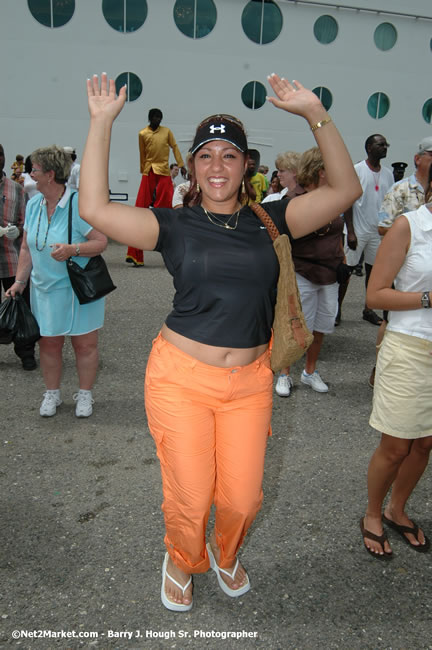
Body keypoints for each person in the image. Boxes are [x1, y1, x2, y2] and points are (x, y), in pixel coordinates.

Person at [79, 72, 361, 611]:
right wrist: (100, 125)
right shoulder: (175, 225)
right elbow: (95, 209)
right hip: (181, 377)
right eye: (205, 154)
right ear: (191, 166)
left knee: (242, 497)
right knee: (190, 496)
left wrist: (313, 114)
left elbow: (345, 190)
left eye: (229, 155)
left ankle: (225, 552)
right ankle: (182, 558)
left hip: (251, 381)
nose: (216, 166)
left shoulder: (273, 219)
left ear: (246, 165)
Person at [360, 163, 432, 559]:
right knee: (397, 445)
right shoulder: (410, 226)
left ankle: (397, 509)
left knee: (425, 443)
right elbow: (375, 295)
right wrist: (427, 298)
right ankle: (372, 514)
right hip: (408, 346)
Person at [6, 145, 108, 417]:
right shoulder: (35, 204)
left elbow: (101, 241)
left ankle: (85, 395)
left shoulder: (79, 204)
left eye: (35, 170)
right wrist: (19, 282)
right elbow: (26, 247)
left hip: (78, 289)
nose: (30, 174)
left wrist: (73, 249)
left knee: (84, 344)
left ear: (50, 174)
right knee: (49, 343)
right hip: (44, 289)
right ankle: (52, 394)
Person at [273, 147, 344, 397]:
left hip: (330, 273)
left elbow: (338, 233)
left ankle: (310, 371)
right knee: (295, 325)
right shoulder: (295, 198)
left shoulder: (336, 196)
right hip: (302, 271)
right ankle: (284, 373)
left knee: (321, 326)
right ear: (320, 171)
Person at [368, 137, 432, 387]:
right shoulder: (400, 189)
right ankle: (380, 365)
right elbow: (384, 226)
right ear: (418, 158)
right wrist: (408, 234)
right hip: (401, 263)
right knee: (388, 318)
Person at [125, 108, 186, 267]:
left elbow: (175, 147)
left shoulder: (166, 132)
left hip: (164, 172)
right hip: (148, 172)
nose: (158, 119)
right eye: (155, 117)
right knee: (139, 209)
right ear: (150, 118)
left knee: (169, 210)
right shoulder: (143, 134)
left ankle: (175, 251)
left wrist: (181, 165)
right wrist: (143, 173)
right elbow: (142, 154)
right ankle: (134, 255)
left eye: (160, 117)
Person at [344, 134, 394, 326]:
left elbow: (388, 204)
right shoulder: (357, 170)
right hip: (357, 230)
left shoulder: (388, 174)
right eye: (380, 144)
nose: (384, 147)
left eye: (385, 144)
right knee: (346, 271)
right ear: (369, 148)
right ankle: (337, 309)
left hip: (377, 233)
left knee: (373, 273)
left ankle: (368, 309)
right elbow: (348, 200)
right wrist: (350, 231)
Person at [0, 143, 36, 370]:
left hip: (11, 257)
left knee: (21, 305)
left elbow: (26, 224)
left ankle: (26, 352)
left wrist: (19, 230)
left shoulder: (16, 189)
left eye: (0, 154)